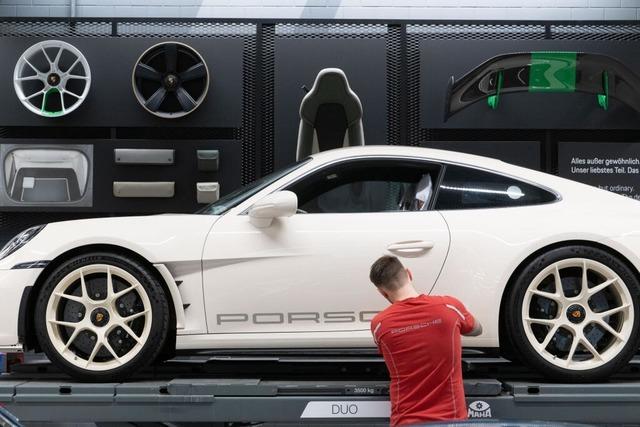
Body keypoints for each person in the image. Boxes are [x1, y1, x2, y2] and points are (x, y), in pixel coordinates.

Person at [369, 255, 482, 426]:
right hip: (451, 421)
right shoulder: (449, 307)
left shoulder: (380, 324)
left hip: (405, 421)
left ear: (382, 292)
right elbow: (477, 329)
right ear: (409, 274)